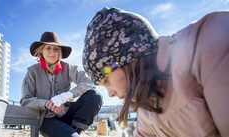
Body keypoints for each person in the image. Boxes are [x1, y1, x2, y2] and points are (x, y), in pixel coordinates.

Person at [82, 7, 229, 137]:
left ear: (129, 57)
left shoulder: (207, 42)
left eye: (107, 80)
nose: (110, 94)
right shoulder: (146, 108)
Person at [21, 31, 103, 137]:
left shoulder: (68, 68)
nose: (52, 52)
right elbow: (26, 100)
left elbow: (89, 82)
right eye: (48, 48)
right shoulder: (32, 72)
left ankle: (74, 130)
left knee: (95, 95)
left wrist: (64, 97)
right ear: (41, 50)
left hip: (68, 115)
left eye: (56, 49)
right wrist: (47, 104)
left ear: (59, 51)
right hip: (47, 120)